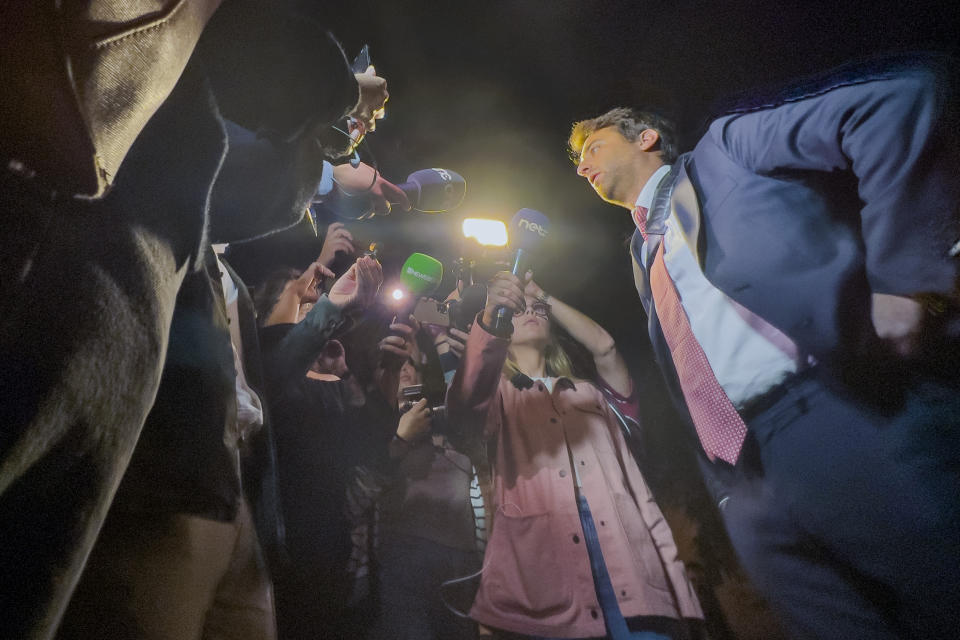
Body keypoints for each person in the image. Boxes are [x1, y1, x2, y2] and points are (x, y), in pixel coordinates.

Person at [0, 4, 388, 637]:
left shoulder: (192, 174)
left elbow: (240, 197)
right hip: (55, 269)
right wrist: (343, 100)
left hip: (198, 465)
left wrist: (332, 135)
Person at [567, 54, 960, 639]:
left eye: (591, 147)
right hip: (748, 485)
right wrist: (730, 495)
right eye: (576, 162)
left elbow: (894, 102)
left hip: (845, 417)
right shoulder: (641, 255)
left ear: (644, 136)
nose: (581, 167)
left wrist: (905, 278)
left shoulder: (725, 152)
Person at [448, 272, 703, 639]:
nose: (532, 312)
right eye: (520, 309)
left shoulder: (590, 394)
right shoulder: (498, 397)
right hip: (545, 564)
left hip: (626, 552)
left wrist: (541, 293)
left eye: (539, 310)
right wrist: (492, 318)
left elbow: (605, 347)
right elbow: (465, 402)